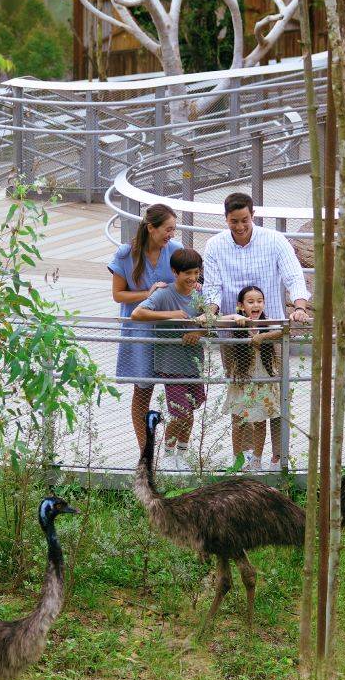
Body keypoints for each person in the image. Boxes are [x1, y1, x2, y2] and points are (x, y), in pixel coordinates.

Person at [201, 191, 310, 463]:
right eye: (233, 221)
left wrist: (299, 307)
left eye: (244, 220)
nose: (239, 227)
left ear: (253, 216)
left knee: (274, 392)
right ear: (226, 219)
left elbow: (293, 275)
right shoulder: (215, 246)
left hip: (270, 331)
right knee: (241, 392)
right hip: (234, 335)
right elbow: (213, 288)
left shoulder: (274, 240)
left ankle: (277, 456)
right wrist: (211, 314)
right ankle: (247, 457)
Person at [109, 203, 179, 451]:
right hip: (139, 331)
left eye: (174, 229)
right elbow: (118, 295)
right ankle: (145, 451)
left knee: (179, 393)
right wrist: (145, 293)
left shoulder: (176, 251)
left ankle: (173, 450)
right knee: (142, 391)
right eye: (167, 229)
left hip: (169, 330)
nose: (171, 235)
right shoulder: (126, 254)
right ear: (151, 228)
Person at [132, 248, 207, 467]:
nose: (192, 278)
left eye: (196, 273)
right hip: (171, 364)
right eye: (187, 273)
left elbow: (211, 322)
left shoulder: (199, 294)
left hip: (194, 363)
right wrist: (171, 315)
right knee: (179, 412)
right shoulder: (164, 294)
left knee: (190, 410)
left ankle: (182, 456)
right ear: (175, 272)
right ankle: (167, 456)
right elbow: (138, 314)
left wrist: (198, 332)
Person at [217, 285, 283, 473]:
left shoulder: (267, 323)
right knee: (239, 421)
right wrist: (234, 317)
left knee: (260, 421)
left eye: (259, 301)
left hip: (263, 380)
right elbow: (214, 322)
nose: (256, 305)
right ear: (241, 305)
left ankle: (256, 459)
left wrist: (263, 336)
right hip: (242, 381)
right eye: (251, 301)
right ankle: (237, 459)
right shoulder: (237, 324)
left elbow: (285, 330)